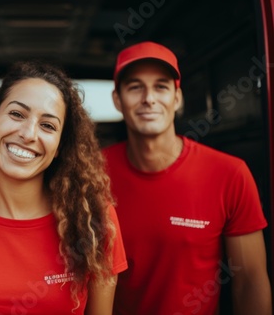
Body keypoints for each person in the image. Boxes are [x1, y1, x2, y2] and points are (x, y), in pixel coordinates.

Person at [0, 60, 128, 315]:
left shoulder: (95, 222)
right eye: (17, 114)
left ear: (59, 146)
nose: (28, 134)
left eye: (48, 125)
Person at [102, 41, 272, 314]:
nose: (149, 98)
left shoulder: (229, 173)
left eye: (161, 86)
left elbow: (249, 280)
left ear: (177, 99)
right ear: (117, 100)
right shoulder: (90, 174)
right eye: (135, 87)